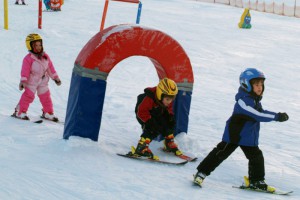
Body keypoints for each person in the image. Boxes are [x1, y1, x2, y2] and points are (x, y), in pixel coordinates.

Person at [193, 68, 289, 192]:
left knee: (256, 157)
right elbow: (257, 115)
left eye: (261, 84)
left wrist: (276, 115)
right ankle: (201, 173)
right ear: (246, 85)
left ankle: (256, 181)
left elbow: (260, 112)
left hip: (248, 136)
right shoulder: (243, 101)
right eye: (256, 84)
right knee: (220, 153)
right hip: (235, 135)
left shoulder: (253, 99)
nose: (260, 87)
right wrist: (277, 116)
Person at [13, 33, 61, 121]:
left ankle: (48, 112)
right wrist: (23, 81)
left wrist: (55, 78)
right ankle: (20, 111)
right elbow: (25, 71)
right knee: (28, 96)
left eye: (40, 44)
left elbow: (50, 68)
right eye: (36, 45)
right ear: (30, 46)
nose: (38, 47)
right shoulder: (28, 58)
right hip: (32, 81)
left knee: (46, 96)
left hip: (43, 81)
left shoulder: (45, 57)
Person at [133, 78, 182, 159]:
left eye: (172, 99)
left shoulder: (167, 98)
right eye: (167, 99)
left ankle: (169, 143)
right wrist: (149, 121)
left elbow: (168, 109)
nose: (169, 102)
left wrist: (170, 117)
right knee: (152, 128)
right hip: (143, 114)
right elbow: (141, 112)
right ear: (160, 94)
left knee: (168, 123)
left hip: (157, 111)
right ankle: (141, 147)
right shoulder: (148, 98)